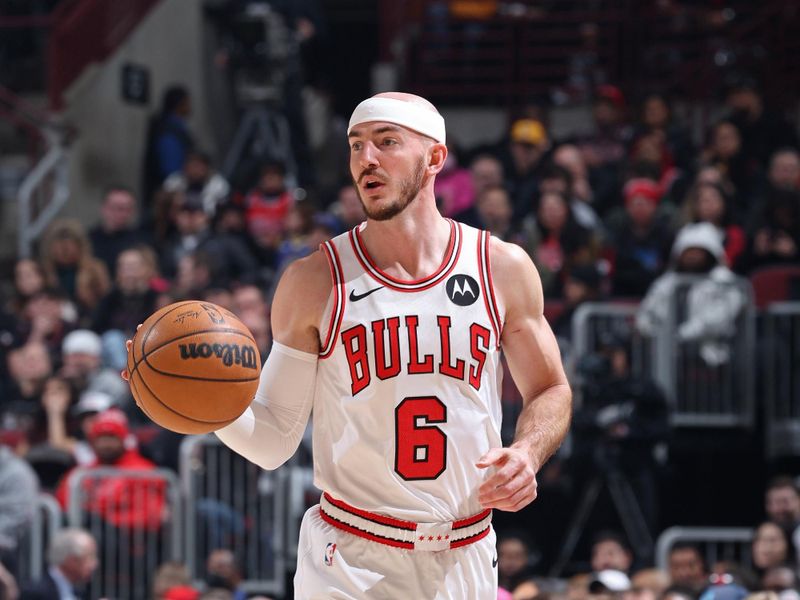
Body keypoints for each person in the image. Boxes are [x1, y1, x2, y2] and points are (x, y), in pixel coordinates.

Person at [128, 92, 572, 598]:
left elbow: (550, 388)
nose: (368, 159)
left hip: (465, 552)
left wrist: (528, 453)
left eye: (387, 142)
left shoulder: (501, 267)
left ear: (434, 158)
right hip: (351, 558)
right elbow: (274, 439)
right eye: (357, 146)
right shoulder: (314, 280)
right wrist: (207, 404)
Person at [19, 527, 98, 600]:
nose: (94, 564)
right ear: (71, 560)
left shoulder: (77, 592)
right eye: (90, 557)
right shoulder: (35, 593)